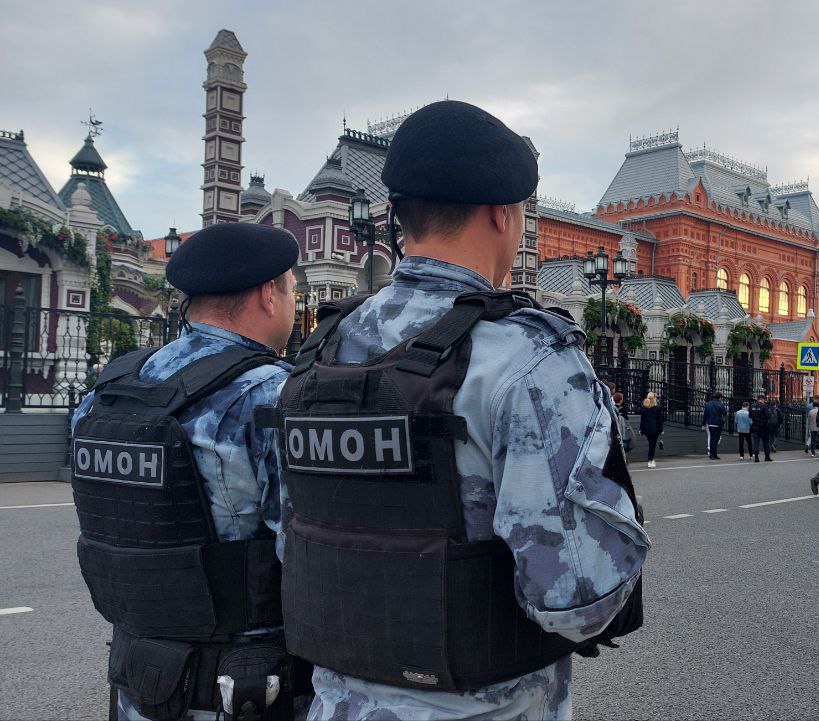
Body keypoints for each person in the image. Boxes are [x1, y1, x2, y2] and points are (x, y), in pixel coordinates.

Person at [282, 101, 648, 720]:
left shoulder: (322, 350)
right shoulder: (528, 357)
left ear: (398, 215)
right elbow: (577, 598)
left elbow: (295, 541)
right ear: (502, 214)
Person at [70, 223, 309, 720]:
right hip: (245, 687)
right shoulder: (269, 393)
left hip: (139, 679)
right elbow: (308, 554)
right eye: (293, 293)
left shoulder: (109, 390)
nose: (293, 305)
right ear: (269, 295)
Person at [639, 391, 664, 468]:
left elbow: (642, 420)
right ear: (654, 398)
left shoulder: (644, 408)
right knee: (652, 445)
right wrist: (661, 430)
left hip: (646, 429)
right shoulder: (657, 408)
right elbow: (660, 420)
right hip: (655, 429)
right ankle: (650, 460)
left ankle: (651, 460)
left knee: (651, 444)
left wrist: (641, 429)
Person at [702, 391, 728, 460]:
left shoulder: (708, 404)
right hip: (718, 424)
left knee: (712, 439)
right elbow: (725, 413)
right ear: (720, 397)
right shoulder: (720, 404)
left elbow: (705, 415)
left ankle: (712, 454)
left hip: (710, 423)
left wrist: (703, 424)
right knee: (716, 440)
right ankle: (714, 454)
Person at [750, 394, 773, 462]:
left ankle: (756, 457)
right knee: (766, 442)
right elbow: (768, 415)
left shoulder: (752, 406)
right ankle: (767, 457)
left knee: (756, 442)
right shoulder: (764, 406)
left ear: (757, 399)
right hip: (764, 427)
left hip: (755, 426)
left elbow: (750, 415)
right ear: (763, 399)